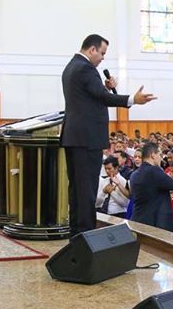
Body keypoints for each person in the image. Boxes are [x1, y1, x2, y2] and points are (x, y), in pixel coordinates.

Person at [61, 34, 155, 237]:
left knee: (77, 189)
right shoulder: (86, 68)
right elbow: (102, 98)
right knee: (86, 191)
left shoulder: (71, 67)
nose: (103, 58)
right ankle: (85, 236)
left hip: (75, 137)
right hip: (87, 139)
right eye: (102, 53)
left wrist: (104, 87)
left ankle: (76, 233)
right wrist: (133, 99)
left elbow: (90, 97)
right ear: (92, 50)